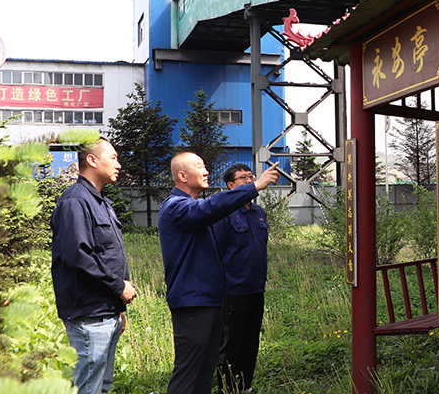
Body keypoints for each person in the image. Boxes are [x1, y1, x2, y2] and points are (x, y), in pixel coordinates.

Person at [158, 151, 279, 394]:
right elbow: (210, 207)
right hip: (193, 303)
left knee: (204, 375)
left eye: (205, 166)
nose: (206, 172)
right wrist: (254, 187)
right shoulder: (176, 207)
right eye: (200, 167)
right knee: (188, 375)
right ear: (182, 175)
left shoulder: (195, 209)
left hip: (211, 301)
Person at [51, 138, 138, 394]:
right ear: (92, 160)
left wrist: (116, 307)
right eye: (113, 158)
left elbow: (106, 254)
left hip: (106, 310)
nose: (119, 165)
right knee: (89, 387)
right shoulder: (75, 201)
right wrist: (118, 287)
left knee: (102, 387)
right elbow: (78, 256)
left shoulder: (101, 202)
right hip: (89, 315)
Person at [213, 164, 269, 393]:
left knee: (251, 341)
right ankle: (228, 389)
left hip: (256, 289)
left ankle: (245, 387)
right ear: (230, 185)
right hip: (233, 291)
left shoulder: (258, 213)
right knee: (231, 344)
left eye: (250, 177)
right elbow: (216, 252)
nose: (248, 181)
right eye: (242, 178)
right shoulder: (224, 214)